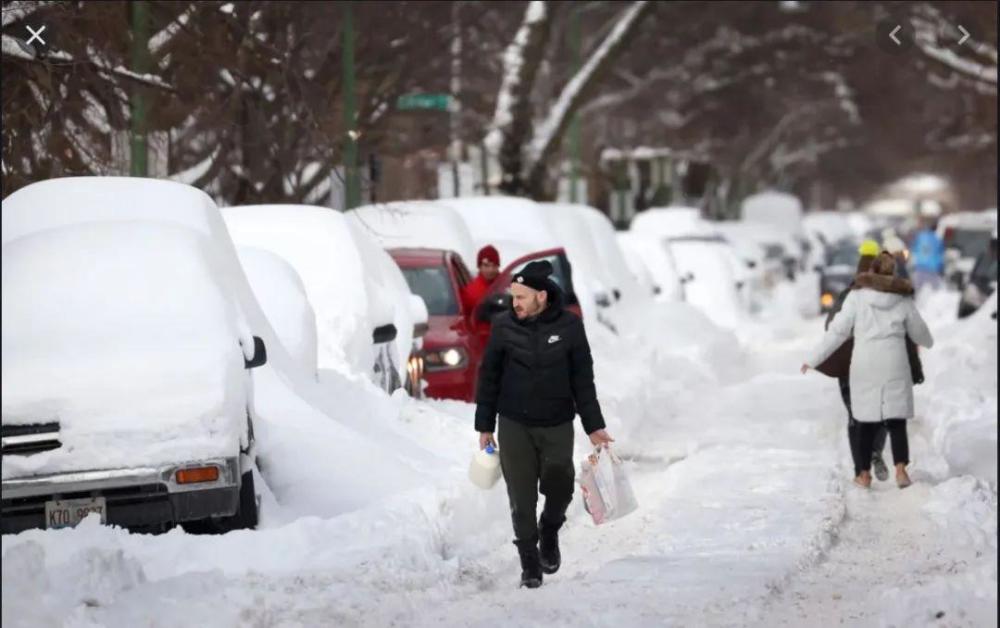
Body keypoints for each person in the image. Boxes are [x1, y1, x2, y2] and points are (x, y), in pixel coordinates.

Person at [474, 260, 613, 589]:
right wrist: (485, 425)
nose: (515, 303)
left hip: (556, 423)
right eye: (513, 297)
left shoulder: (569, 326)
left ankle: (549, 530)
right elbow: (489, 376)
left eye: (521, 297)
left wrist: (593, 425)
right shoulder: (504, 326)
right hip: (513, 423)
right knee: (520, 497)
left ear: (541, 296)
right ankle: (529, 563)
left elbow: (583, 380)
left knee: (560, 485)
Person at [803, 252, 934, 490]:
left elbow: (837, 331)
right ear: (892, 273)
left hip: (865, 365)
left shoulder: (856, 298)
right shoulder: (903, 300)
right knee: (896, 421)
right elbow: (921, 334)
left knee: (864, 420)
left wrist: (813, 359)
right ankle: (901, 471)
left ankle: (863, 475)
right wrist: (929, 341)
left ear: (870, 272)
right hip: (894, 364)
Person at [461, 244, 501, 333]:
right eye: (486, 265)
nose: (490, 270)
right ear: (479, 266)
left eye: (494, 265)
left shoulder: (507, 285)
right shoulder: (470, 292)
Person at [909, 217, 945, 291]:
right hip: (932, 269)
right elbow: (941, 254)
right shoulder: (937, 240)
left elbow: (913, 249)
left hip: (920, 267)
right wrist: (941, 267)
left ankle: (914, 301)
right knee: (936, 291)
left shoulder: (920, 236)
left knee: (916, 291)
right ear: (936, 229)